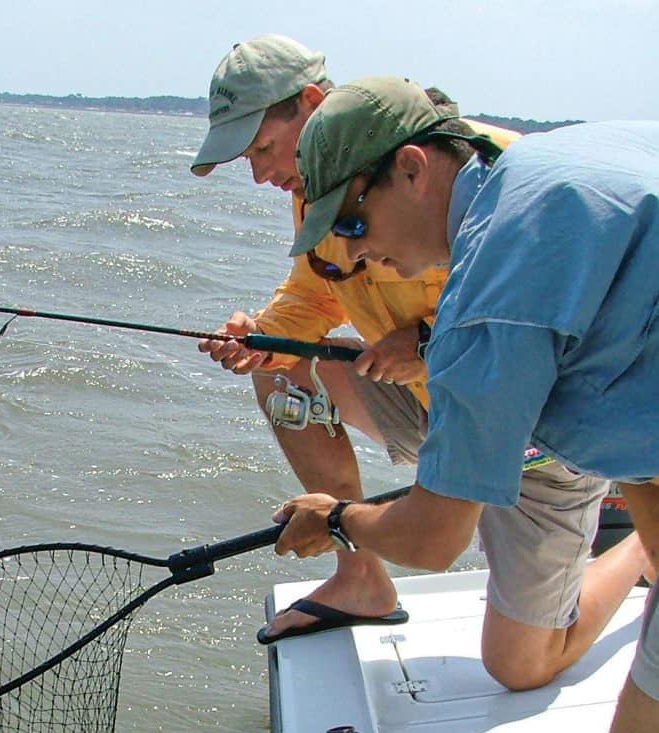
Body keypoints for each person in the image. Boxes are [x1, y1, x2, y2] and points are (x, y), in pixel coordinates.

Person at [277, 76, 659, 733]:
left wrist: (333, 518)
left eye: (354, 228)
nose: (354, 255)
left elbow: (434, 537)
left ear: (412, 169)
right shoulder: (562, 154)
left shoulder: (492, 289)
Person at [192, 36, 649, 689]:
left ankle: (630, 540)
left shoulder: (496, 195)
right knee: (283, 369)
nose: (260, 174)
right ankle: (359, 585)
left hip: (538, 441)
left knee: (519, 667)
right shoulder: (338, 192)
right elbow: (319, 289)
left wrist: (334, 517)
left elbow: (433, 540)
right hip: (451, 407)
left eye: (262, 148)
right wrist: (265, 336)